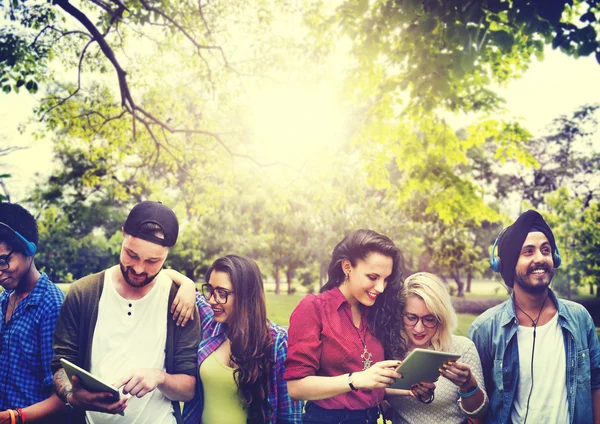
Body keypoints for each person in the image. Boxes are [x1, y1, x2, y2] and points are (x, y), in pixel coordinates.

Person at [51, 200, 201, 424]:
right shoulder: (83, 293)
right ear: (122, 234)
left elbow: (188, 389)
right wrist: (72, 396)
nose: (139, 269)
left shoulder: (179, 301)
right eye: (131, 254)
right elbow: (60, 364)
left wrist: (159, 378)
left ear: (167, 255)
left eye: (153, 261)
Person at [468, 209, 600, 424]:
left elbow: (596, 383)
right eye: (528, 252)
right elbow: (475, 407)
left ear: (554, 258)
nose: (540, 258)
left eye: (546, 250)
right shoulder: (484, 329)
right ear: (509, 264)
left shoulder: (580, 318)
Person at [284, 229, 408, 424]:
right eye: (373, 277)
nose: (381, 288)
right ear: (347, 267)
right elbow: (296, 387)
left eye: (386, 279)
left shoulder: (377, 312)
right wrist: (355, 379)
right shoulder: (314, 308)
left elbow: (367, 388)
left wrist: (409, 389)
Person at [166, 255, 302, 423]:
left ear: (246, 295)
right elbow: (165, 274)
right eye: (210, 290)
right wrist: (187, 284)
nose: (212, 300)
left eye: (222, 293)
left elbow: (290, 416)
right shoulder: (210, 323)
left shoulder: (277, 342)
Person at [386, 272, 488, 423]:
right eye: (411, 318)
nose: (419, 328)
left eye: (429, 319)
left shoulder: (462, 348)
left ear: (441, 318)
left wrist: (468, 386)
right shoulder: (389, 350)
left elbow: (478, 415)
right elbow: (374, 401)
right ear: (400, 314)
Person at [0, 202, 67, 424]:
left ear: (29, 249)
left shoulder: (51, 306)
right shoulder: (4, 300)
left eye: (3, 261)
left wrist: (13, 417)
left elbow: (62, 399)